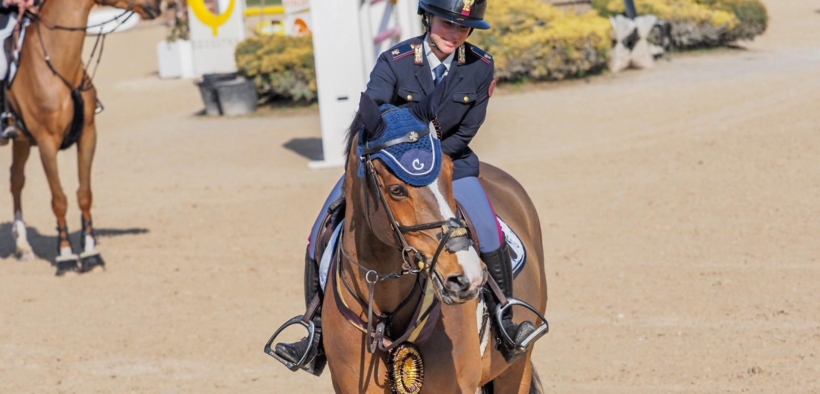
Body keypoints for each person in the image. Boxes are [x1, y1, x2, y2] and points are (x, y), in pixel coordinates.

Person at [273, 0, 544, 375]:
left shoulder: (479, 68)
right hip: (389, 168)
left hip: (450, 165)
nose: (455, 33)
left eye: (464, 28)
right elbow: (373, 114)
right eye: (448, 23)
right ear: (428, 18)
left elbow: (467, 129)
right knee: (321, 228)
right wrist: (402, 162)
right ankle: (315, 332)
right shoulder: (396, 61)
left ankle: (505, 321)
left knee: (488, 230)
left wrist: (431, 162)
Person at [0, 0, 34, 143]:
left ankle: (80, 98)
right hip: (5, 21)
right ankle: (4, 116)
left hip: (35, 18)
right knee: (1, 67)